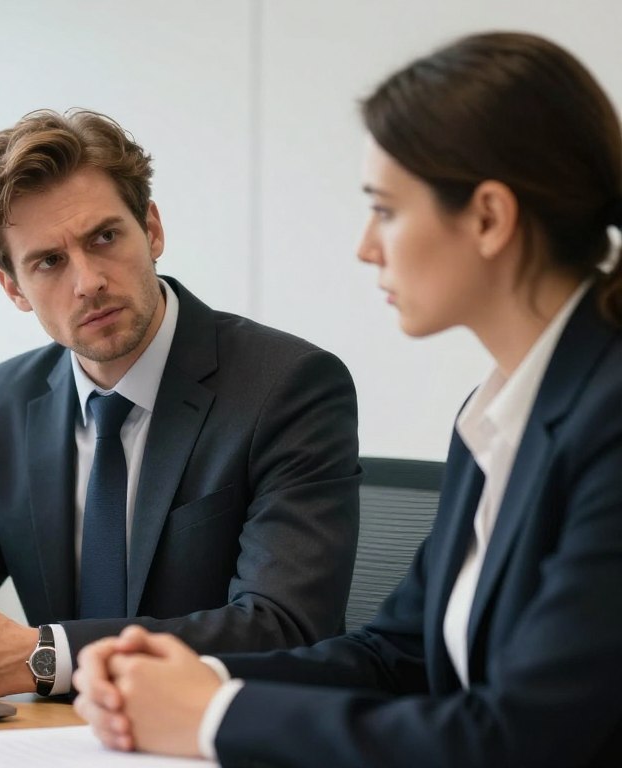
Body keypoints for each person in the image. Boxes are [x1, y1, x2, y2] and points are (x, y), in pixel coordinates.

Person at [73, 31, 622, 767]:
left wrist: (212, 719)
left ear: (489, 217)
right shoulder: (494, 416)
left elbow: (523, 739)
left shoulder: (608, 419)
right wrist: (189, 678)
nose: (367, 246)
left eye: (386, 210)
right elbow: (395, 655)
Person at [0, 109, 361, 699]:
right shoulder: (6, 401)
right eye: (49, 262)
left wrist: (43, 657)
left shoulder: (287, 386)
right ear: (13, 287)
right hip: (58, 741)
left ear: (152, 229)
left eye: (104, 237)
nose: (87, 281)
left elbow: (283, 626)